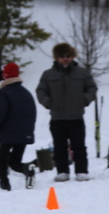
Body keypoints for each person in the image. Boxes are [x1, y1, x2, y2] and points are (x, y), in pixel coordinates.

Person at [36, 43, 97, 182]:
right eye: (62, 56)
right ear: (57, 58)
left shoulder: (82, 73)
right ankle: (62, 171)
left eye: (68, 56)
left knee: (79, 146)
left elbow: (92, 89)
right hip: (57, 118)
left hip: (76, 117)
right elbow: (41, 91)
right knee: (59, 147)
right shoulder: (48, 74)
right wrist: (48, 103)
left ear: (73, 56)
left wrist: (84, 100)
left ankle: (81, 171)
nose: (65, 58)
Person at [0, 63, 36, 191]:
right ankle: (27, 169)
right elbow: (32, 112)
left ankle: (4, 184)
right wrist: (29, 130)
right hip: (24, 132)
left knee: (2, 159)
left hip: (7, 133)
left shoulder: (3, 93)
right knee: (15, 162)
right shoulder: (26, 92)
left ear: (5, 75)